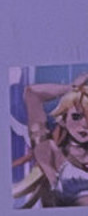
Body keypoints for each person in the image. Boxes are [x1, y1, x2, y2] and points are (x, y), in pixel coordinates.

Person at [14, 77, 88, 208]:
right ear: (63, 120)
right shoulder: (52, 154)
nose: (85, 124)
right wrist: (72, 88)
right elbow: (32, 93)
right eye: (76, 116)